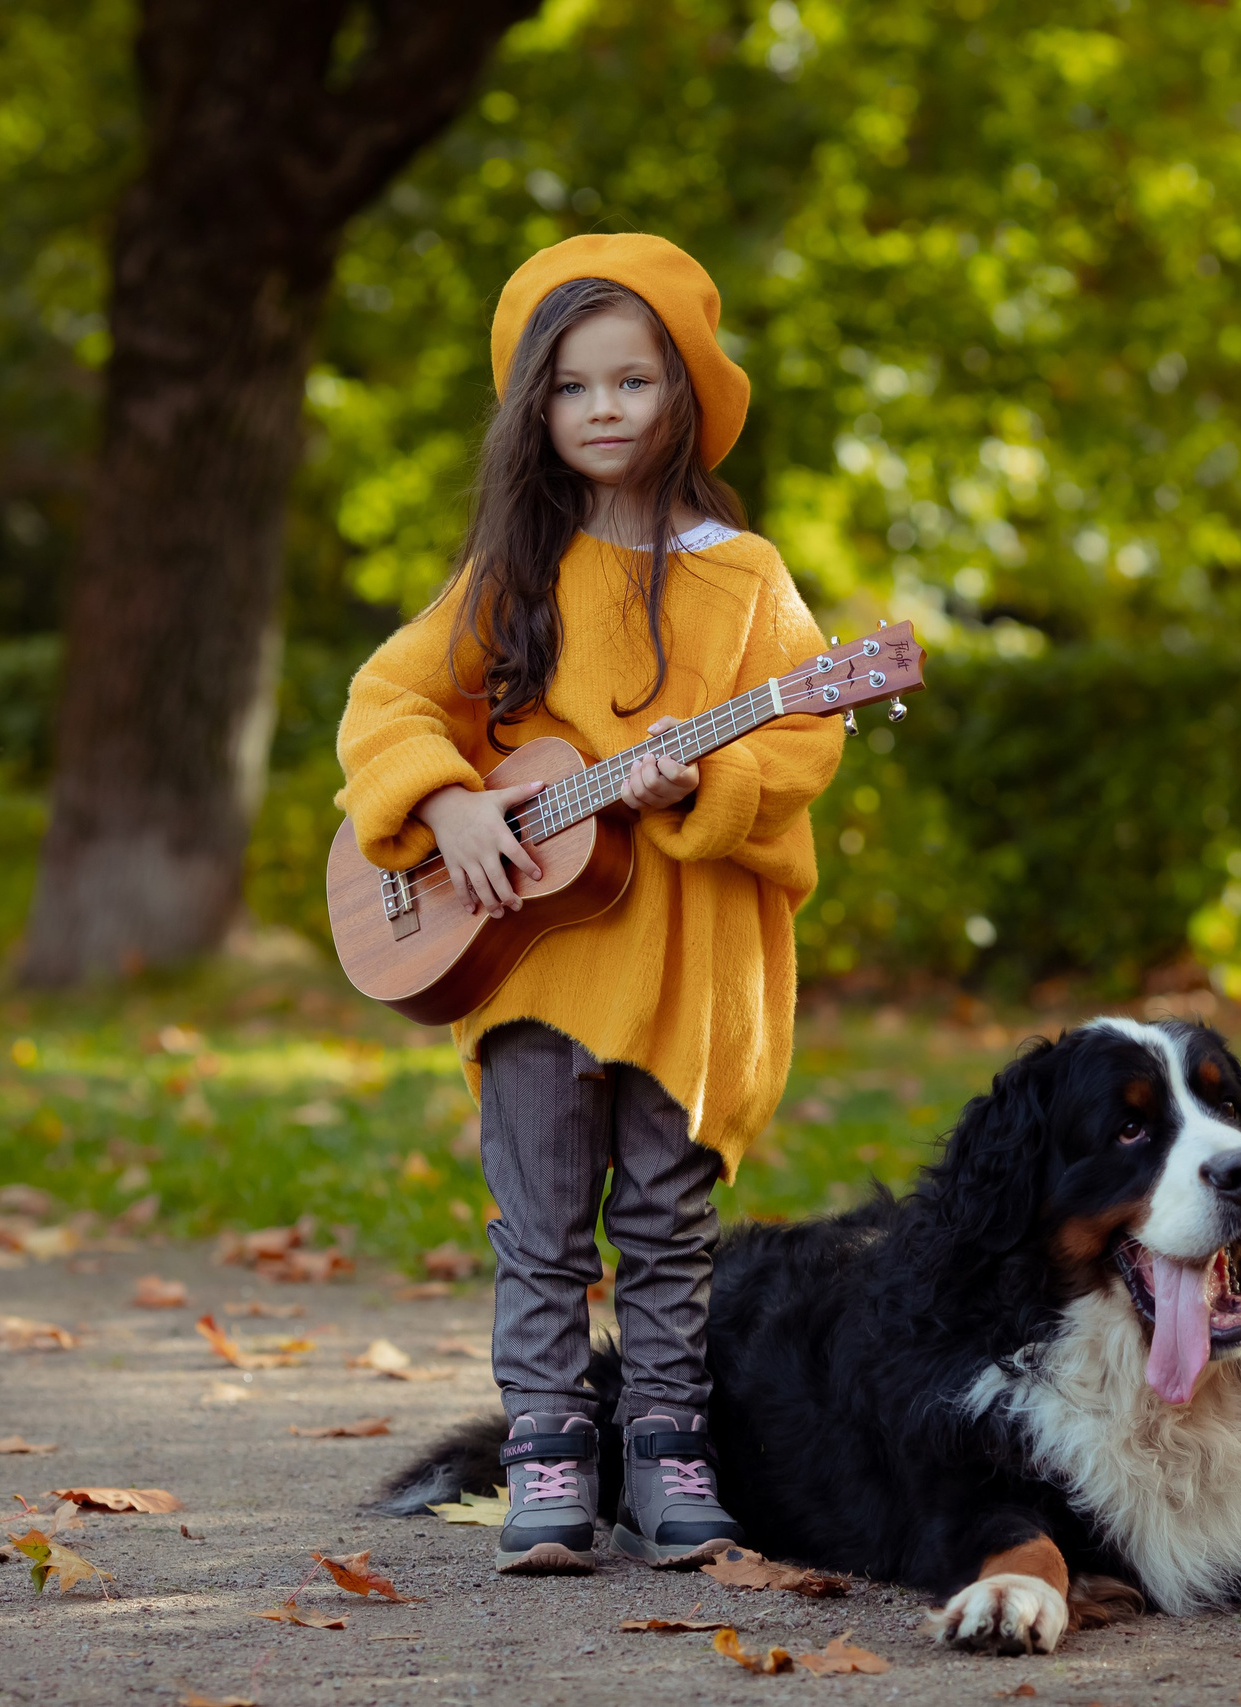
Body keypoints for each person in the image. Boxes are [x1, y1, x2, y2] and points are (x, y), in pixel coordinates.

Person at [333, 234, 843, 1574]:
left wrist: (704, 781)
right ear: (535, 410)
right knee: (543, 1221)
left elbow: (799, 751)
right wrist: (446, 803)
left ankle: (670, 1453)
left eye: (633, 380)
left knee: (671, 1224)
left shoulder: (748, 576)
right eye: (572, 387)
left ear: (685, 391)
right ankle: (548, 1452)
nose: (605, 410)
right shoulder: (515, 568)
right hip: (534, 965)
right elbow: (387, 700)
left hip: (688, 964)